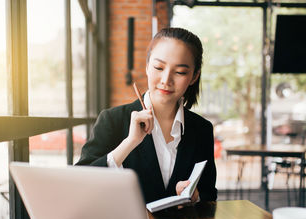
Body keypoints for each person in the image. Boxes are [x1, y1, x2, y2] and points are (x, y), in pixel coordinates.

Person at [76, 27, 217, 204]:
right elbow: (80, 182)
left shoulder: (202, 129)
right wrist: (130, 142)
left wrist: (195, 196)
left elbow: (209, 193)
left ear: (194, 77)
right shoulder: (112, 120)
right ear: (147, 67)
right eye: (159, 67)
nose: (166, 79)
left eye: (180, 72)